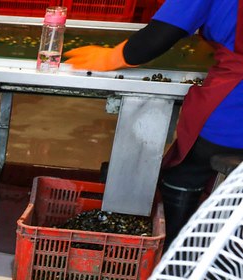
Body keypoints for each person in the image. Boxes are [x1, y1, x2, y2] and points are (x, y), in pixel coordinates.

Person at [64, 0, 242, 245]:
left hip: (233, 111)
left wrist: (109, 57)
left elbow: (155, 39)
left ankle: (177, 259)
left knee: (187, 174)